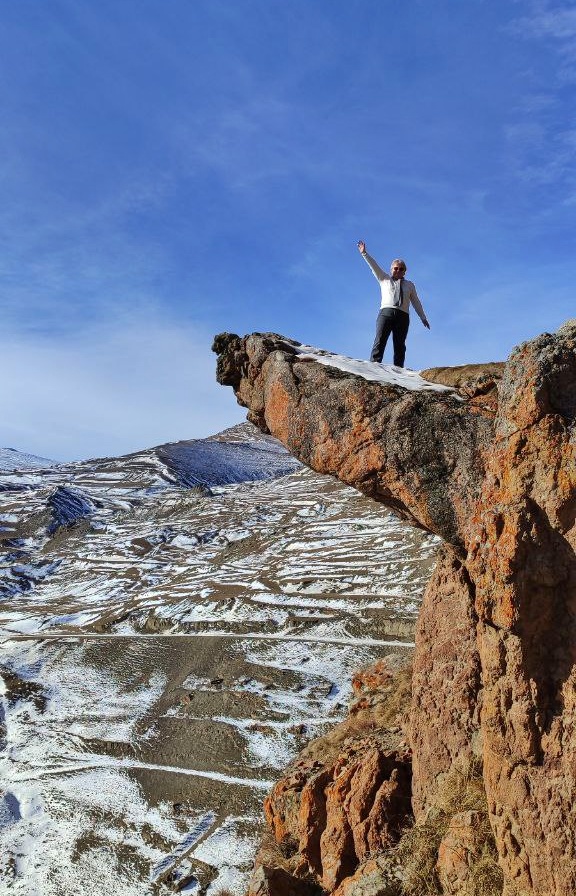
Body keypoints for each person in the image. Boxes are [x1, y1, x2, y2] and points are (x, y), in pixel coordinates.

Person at [357, 240, 430, 368]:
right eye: (396, 268)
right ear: (391, 269)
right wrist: (364, 253)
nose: (398, 270)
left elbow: (416, 302)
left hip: (403, 316)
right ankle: (374, 366)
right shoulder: (384, 278)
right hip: (386, 313)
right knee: (380, 340)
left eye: (401, 269)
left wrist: (423, 317)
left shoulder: (410, 285)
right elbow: (374, 266)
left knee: (400, 344)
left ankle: (399, 370)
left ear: (405, 271)